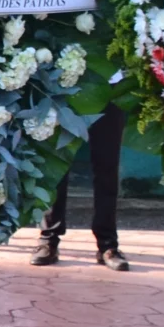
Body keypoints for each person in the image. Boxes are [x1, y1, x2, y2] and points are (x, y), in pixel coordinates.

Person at [32, 104, 129, 270]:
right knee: (56, 167)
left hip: (109, 91)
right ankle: (48, 240)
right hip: (63, 90)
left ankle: (108, 245)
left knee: (107, 167)